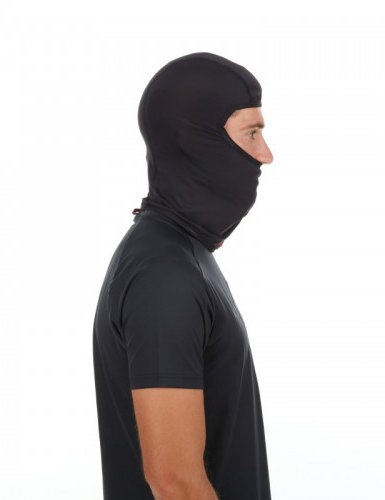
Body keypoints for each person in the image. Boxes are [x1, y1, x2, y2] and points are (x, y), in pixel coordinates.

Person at [92, 52, 274, 499]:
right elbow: (175, 484)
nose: (265, 155)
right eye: (251, 133)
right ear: (196, 142)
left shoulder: (182, 256)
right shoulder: (164, 277)